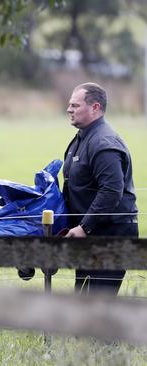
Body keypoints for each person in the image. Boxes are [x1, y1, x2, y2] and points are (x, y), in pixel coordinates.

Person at [63, 82, 139, 295]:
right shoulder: (82, 138)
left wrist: (84, 227)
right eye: (70, 105)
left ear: (95, 108)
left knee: (98, 305)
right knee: (83, 299)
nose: (69, 109)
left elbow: (111, 191)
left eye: (75, 105)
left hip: (111, 235)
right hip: (91, 234)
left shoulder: (103, 143)